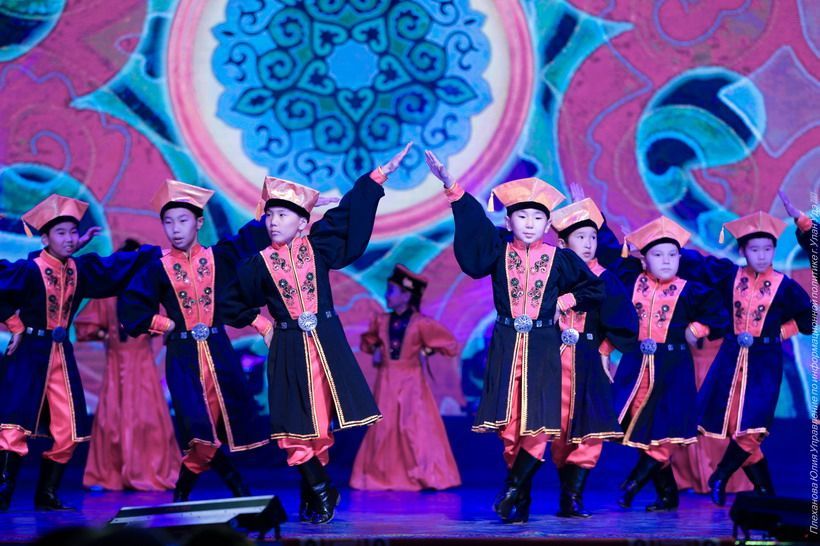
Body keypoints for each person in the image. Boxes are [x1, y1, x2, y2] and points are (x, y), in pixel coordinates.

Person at [223, 143, 413, 524]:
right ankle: (324, 488)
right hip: (288, 348)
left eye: (283, 215)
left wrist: (378, 176)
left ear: (302, 222)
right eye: (270, 215)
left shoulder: (318, 248)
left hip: (324, 346)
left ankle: (311, 493)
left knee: (318, 429)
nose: (274, 221)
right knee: (290, 431)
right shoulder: (258, 264)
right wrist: (263, 325)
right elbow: (229, 302)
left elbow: (348, 215)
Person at [424, 150, 605, 523]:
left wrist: (564, 300)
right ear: (508, 220)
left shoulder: (560, 258)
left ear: (548, 223)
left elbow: (595, 288)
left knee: (538, 422)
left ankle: (510, 490)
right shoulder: (498, 252)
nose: (529, 224)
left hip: (543, 345)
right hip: (507, 343)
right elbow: (474, 226)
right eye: (522, 217)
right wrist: (451, 186)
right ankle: (520, 496)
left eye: (537, 218)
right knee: (509, 427)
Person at [0, 195, 160, 511]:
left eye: (73, 232)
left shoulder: (78, 270)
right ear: (45, 239)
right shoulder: (31, 269)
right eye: (61, 233)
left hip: (60, 354)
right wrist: (15, 325)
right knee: (15, 423)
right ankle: (3, 489)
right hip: (30, 353)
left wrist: (157, 255)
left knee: (70, 428)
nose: (69, 238)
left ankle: (46, 493)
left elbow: (113, 268)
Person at [118, 180, 274, 502]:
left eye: (183, 220)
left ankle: (182, 495)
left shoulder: (220, 257)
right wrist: (164, 323)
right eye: (168, 222)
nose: (175, 229)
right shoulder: (157, 266)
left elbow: (253, 235)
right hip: (183, 356)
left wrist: (291, 206)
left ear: (199, 222)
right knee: (199, 431)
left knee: (214, 432)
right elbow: (131, 306)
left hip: (218, 354)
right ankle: (237, 487)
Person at [674, 211, 812, 505]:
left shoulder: (784, 286)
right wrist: (663, 248)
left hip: (764, 362)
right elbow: (697, 265)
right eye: (755, 249)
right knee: (733, 426)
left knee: (755, 427)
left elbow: (808, 320)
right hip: (730, 359)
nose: (761, 255)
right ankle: (766, 494)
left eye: (767, 249)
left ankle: (720, 475)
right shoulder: (729, 276)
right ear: (743, 251)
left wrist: (778, 333)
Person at [596, 215, 730, 511]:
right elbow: (608, 255)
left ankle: (632, 484)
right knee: (643, 430)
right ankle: (668, 495)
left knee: (666, 429)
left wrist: (697, 328)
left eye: (672, 255)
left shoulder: (690, 290)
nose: (667, 261)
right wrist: (598, 222)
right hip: (638, 368)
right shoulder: (632, 281)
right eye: (658, 255)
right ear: (644, 260)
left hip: (674, 369)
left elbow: (718, 313)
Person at [547, 193, 639, 517]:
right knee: (559, 432)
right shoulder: (551, 274)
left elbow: (624, 320)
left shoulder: (605, 277)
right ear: (562, 243)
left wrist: (605, 350)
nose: (588, 244)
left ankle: (574, 498)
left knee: (590, 431)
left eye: (592, 237)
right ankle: (565, 496)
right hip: (554, 361)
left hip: (589, 359)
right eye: (580, 237)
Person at [74, 239, 180, 491]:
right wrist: (106, 335)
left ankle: (147, 470)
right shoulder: (108, 293)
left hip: (141, 362)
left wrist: (154, 329)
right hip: (116, 361)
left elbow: (164, 321)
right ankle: (109, 474)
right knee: (111, 420)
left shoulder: (147, 290)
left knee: (146, 418)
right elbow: (86, 326)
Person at [350, 264, 461, 491]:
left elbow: (450, 345)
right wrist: (377, 348)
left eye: (391, 291)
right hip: (386, 379)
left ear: (406, 295)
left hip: (411, 381)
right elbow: (368, 342)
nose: (387, 295)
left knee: (414, 426)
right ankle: (382, 476)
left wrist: (426, 349)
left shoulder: (421, 323)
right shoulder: (381, 321)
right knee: (384, 427)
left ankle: (424, 475)